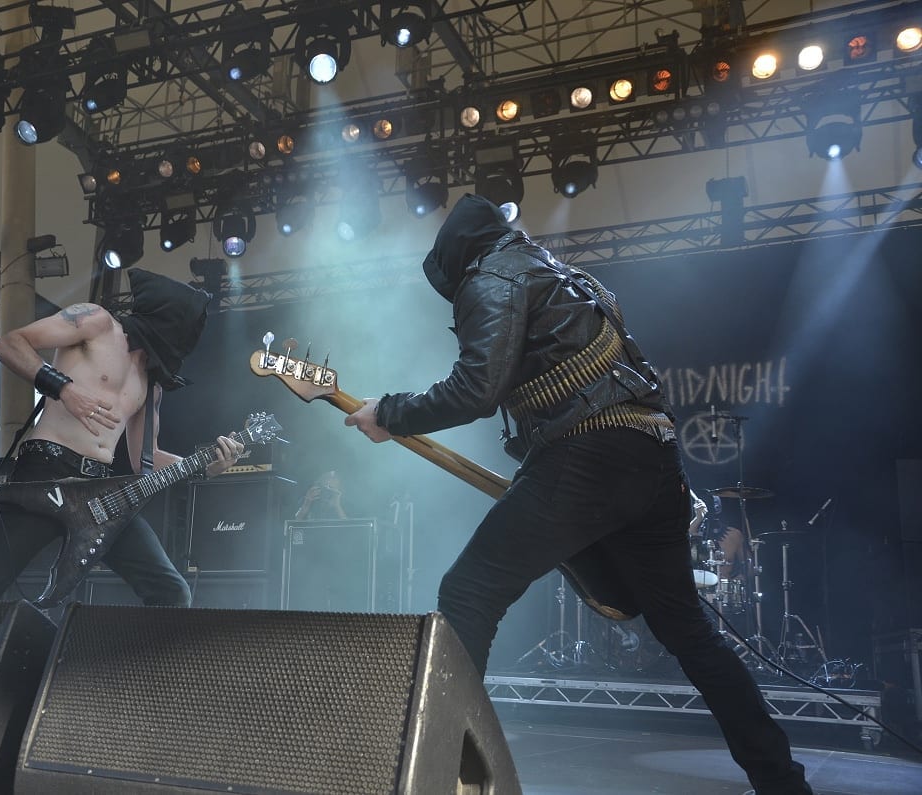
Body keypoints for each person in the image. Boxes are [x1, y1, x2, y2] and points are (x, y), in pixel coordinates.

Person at [344, 194, 813, 795]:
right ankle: (783, 783)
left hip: (588, 453)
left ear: (456, 259)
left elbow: (475, 389)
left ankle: (445, 779)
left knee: (469, 592)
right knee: (690, 632)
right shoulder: (566, 276)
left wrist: (390, 412)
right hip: (654, 453)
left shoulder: (489, 278)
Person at [0, 268, 244, 607]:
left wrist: (205, 466)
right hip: (46, 471)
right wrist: (64, 388)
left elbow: (145, 458)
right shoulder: (97, 321)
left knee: (171, 591)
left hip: (102, 495)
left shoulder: (151, 384)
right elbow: (9, 344)